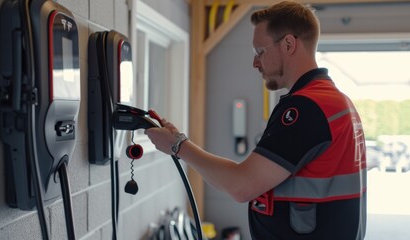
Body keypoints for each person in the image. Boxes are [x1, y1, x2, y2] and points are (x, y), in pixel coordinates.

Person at [145, 1, 367, 239]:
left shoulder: (307, 108)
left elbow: (241, 185)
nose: (255, 62)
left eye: (260, 52)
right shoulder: (336, 101)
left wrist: (178, 145)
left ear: (289, 44)